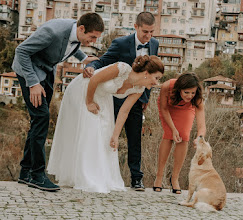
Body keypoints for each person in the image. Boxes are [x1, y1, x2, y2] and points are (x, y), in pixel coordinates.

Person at [12, 13, 104, 192]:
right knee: (42, 117)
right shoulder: (53, 32)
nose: (92, 41)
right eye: (92, 37)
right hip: (29, 71)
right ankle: (37, 175)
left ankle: (25, 172)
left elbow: (70, 45)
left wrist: (84, 59)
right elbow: (21, 51)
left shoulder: (75, 32)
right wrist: (33, 83)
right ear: (81, 28)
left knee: (37, 120)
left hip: (46, 71)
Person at [47, 55, 164, 193]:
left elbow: (124, 111)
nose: (157, 83)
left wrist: (115, 135)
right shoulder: (122, 68)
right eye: (156, 78)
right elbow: (94, 79)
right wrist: (89, 102)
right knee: (89, 132)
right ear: (146, 73)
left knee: (104, 137)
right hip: (84, 90)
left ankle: (95, 175)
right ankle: (84, 177)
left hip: (103, 99)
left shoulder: (139, 89)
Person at [84, 12, 158, 191]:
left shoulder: (154, 44)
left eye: (151, 32)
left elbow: (150, 72)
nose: (148, 36)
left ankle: (136, 178)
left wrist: (145, 98)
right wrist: (89, 67)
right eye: (145, 32)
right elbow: (104, 62)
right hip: (113, 97)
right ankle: (104, 174)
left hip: (136, 96)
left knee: (135, 138)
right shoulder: (120, 43)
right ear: (136, 27)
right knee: (109, 134)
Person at [153, 73, 206, 194]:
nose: (190, 96)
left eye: (192, 93)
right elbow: (164, 109)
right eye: (186, 92)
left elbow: (202, 125)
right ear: (180, 89)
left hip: (186, 109)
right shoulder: (168, 86)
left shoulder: (196, 97)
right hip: (168, 107)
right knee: (168, 135)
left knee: (184, 136)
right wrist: (173, 129)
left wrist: (200, 137)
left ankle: (175, 178)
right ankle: (159, 177)